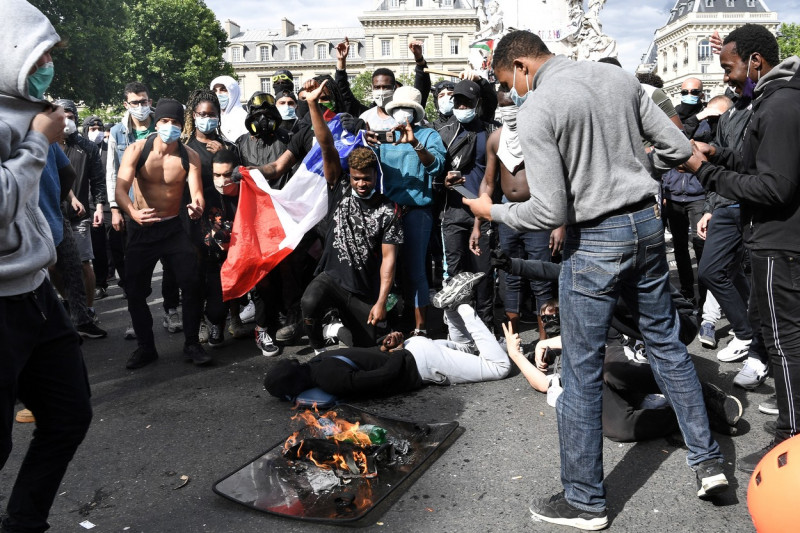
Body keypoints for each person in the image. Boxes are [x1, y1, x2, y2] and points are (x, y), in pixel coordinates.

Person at [465, 31, 727, 529]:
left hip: (597, 238)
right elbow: (674, 145)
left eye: (508, 82)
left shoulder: (539, 107)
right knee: (667, 346)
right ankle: (708, 461)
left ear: (520, 65)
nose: (513, 92)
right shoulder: (615, 76)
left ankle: (585, 501)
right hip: (647, 225)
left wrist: (491, 210)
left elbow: (549, 210)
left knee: (581, 371)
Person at [684, 24, 800, 474]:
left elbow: (775, 187)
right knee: (783, 340)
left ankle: (789, 442)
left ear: (755, 61)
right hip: (775, 240)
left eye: (729, 67)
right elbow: (763, 164)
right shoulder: (775, 100)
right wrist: (718, 155)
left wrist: (704, 173)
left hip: (779, 243)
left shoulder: (782, 104)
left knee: (784, 344)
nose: (727, 78)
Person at [0, 1, 93, 530]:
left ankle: (24, 521)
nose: (48, 66)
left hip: (36, 293)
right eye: (40, 55)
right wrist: (38, 140)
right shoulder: (28, 126)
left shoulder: (28, 110)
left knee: (68, 415)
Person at [266, 279, 509, 401]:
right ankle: (452, 309)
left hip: (420, 362)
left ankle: (463, 306)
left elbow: (378, 378)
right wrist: (385, 346)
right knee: (467, 349)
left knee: (499, 368)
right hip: (418, 349)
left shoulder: (326, 378)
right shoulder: (320, 360)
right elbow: (366, 358)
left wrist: (398, 352)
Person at [299, 81, 403, 352]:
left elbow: (388, 262)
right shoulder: (340, 187)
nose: (360, 184)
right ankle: (319, 349)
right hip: (332, 277)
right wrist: (313, 105)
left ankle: (336, 329)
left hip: (363, 290)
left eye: (366, 179)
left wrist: (380, 302)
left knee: (374, 348)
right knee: (309, 302)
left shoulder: (389, 209)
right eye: (356, 178)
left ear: (374, 176)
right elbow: (326, 146)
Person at [115, 98, 211, 369]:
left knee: (191, 283)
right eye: (165, 122)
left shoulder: (188, 156)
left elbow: (197, 193)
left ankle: (192, 343)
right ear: (156, 123)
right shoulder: (137, 149)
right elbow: (120, 189)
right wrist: (132, 212)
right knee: (135, 291)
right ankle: (146, 347)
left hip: (172, 228)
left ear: (182, 126)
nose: (170, 127)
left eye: (176, 123)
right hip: (142, 228)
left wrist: (196, 207)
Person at [470, 89, 564, 336]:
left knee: (540, 274)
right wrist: (478, 223)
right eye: (504, 107)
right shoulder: (496, 139)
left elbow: (559, 179)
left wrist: (559, 223)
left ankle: (546, 338)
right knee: (509, 274)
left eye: (513, 106)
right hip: (507, 215)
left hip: (538, 213)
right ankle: (514, 340)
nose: (509, 112)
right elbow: (488, 183)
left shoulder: (540, 135)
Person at [379, 86, 446, 336]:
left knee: (417, 269)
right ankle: (389, 320)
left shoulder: (428, 136)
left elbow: (437, 168)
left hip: (418, 211)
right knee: (389, 268)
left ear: (415, 112)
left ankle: (421, 328)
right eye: (396, 108)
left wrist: (415, 143)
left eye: (405, 109)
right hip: (389, 211)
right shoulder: (384, 137)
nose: (400, 112)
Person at [182, 89, 241, 345]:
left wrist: (225, 153)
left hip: (228, 218)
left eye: (212, 115)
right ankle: (208, 320)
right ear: (193, 116)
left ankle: (230, 317)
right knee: (199, 272)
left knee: (230, 269)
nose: (207, 119)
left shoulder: (228, 145)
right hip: (197, 220)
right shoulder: (186, 148)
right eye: (202, 114)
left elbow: (240, 177)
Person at [437, 79, 495, 326]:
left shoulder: (492, 130)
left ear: (477, 103)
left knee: (484, 274)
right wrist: (443, 181)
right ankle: (460, 330)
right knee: (455, 275)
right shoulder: (443, 133)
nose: (461, 106)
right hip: (453, 214)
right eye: (457, 101)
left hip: (483, 213)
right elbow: (431, 172)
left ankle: (487, 327)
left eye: (467, 102)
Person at [55, 99, 107, 328]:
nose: (66, 120)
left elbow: (98, 181)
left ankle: (88, 309)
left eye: (70, 115)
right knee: (53, 265)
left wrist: (98, 207)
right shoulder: (46, 144)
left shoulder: (87, 147)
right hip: (52, 214)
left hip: (80, 216)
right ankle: (68, 302)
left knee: (84, 263)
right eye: (61, 115)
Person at [210, 75, 248, 142]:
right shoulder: (212, 117)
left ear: (233, 92)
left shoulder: (244, 118)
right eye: (214, 91)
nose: (218, 94)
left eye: (223, 90)